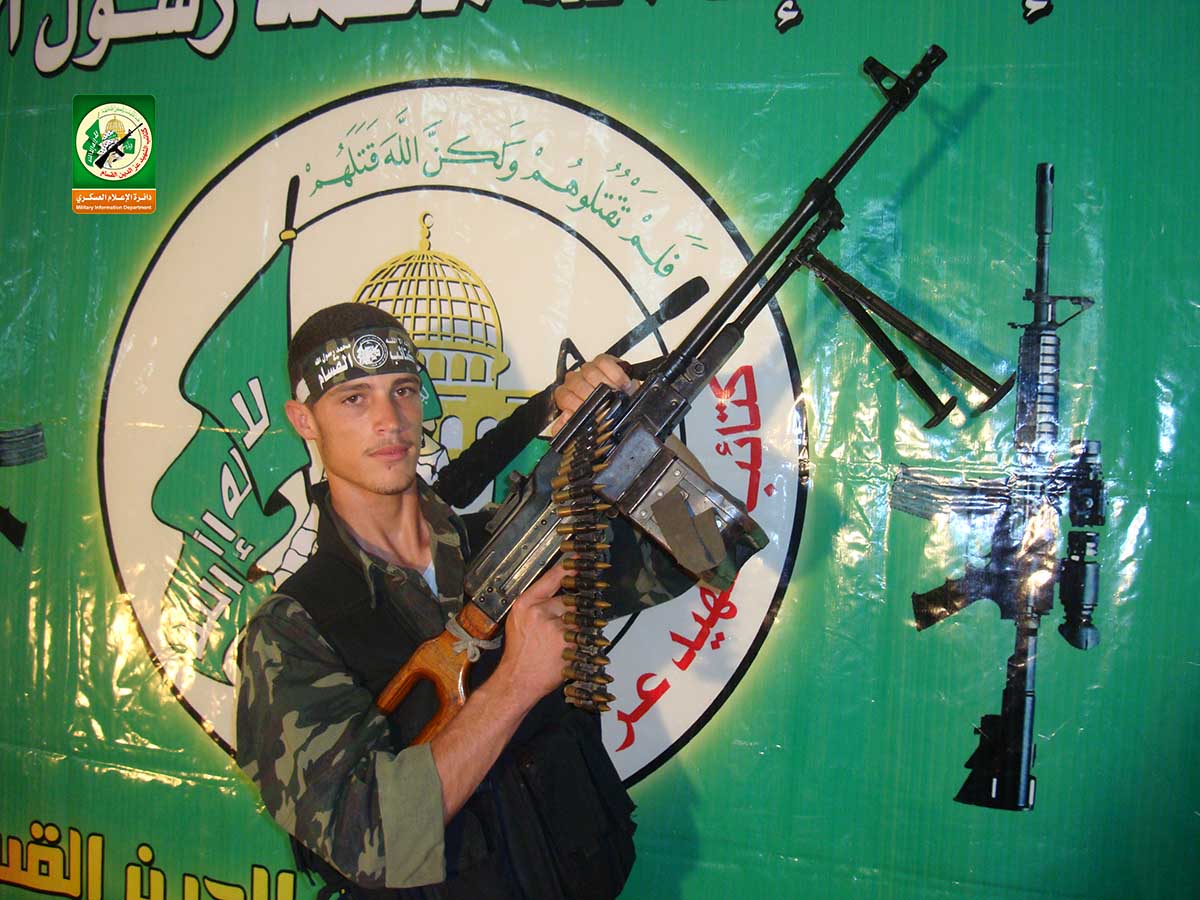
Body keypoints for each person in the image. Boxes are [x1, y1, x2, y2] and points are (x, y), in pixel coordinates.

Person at [236, 302, 689, 900]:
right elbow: (370, 839)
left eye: (402, 391)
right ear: (304, 420)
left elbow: (689, 556)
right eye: (354, 399)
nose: (389, 420)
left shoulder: (512, 541)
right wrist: (516, 684)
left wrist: (637, 440)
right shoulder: (292, 629)